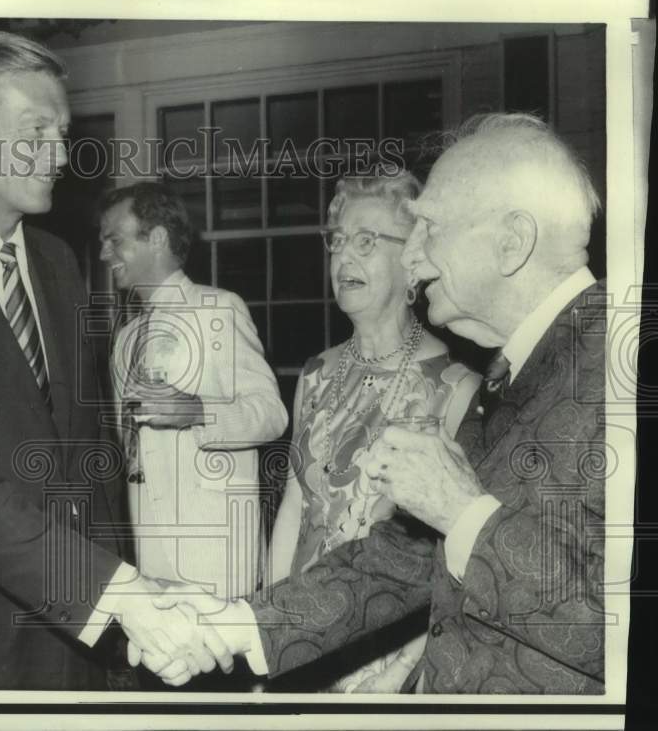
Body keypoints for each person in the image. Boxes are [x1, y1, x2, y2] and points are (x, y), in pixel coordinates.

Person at [146, 112, 607, 694]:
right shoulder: (513, 375)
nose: (412, 259)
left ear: (511, 242)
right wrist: (241, 625)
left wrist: (463, 512)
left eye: (430, 230)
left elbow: (613, 620)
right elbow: (405, 560)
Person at [0, 32, 229, 690]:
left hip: (94, 639)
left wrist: (122, 623)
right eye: (35, 130)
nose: (59, 153)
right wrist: (114, 592)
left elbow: (92, 443)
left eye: (63, 130)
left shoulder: (56, 260)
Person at [267, 171, 480, 692]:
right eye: (337, 242)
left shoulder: (456, 389)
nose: (343, 258)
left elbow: (457, 555)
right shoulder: (315, 373)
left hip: (385, 656)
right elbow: (295, 508)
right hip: (300, 640)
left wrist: (403, 671)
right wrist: (267, 631)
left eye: (366, 242)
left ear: (412, 262)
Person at [100, 182, 287, 605]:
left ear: (159, 239)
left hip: (212, 557)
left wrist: (197, 409)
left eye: (114, 240)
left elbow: (271, 414)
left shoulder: (219, 309)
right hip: (143, 554)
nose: (103, 254)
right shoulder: (126, 337)